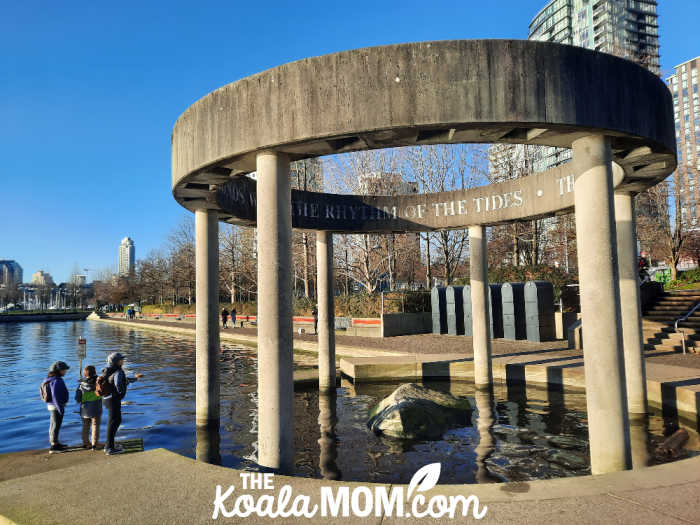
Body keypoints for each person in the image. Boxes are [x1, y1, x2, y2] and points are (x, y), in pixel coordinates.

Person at [101, 352, 141, 455]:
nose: (123, 361)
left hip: (107, 399)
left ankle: (109, 445)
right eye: (121, 359)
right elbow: (119, 385)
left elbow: (124, 381)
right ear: (116, 362)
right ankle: (110, 448)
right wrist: (121, 393)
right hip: (113, 400)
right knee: (114, 422)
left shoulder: (109, 370)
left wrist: (135, 379)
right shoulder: (118, 371)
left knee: (114, 421)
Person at [42, 361, 70, 453]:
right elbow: (56, 396)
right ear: (59, 371)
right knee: (56, 425)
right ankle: (54, 447)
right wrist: (60, 409)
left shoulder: (50, 379)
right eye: (64, 370)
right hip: (56, 406)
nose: (65, 371)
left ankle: (55, 442)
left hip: (52, 406)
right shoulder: (57, 381)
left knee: (53, 425)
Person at [76, 365, 102, 450]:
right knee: (95, 426)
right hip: (96, 408)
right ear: (94, 373)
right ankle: (95, 444)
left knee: (85, 426)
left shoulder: (81, 384)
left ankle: (86, 443)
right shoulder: (98, 383)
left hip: (84, 409)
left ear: (85, 374)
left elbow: (77, 398)